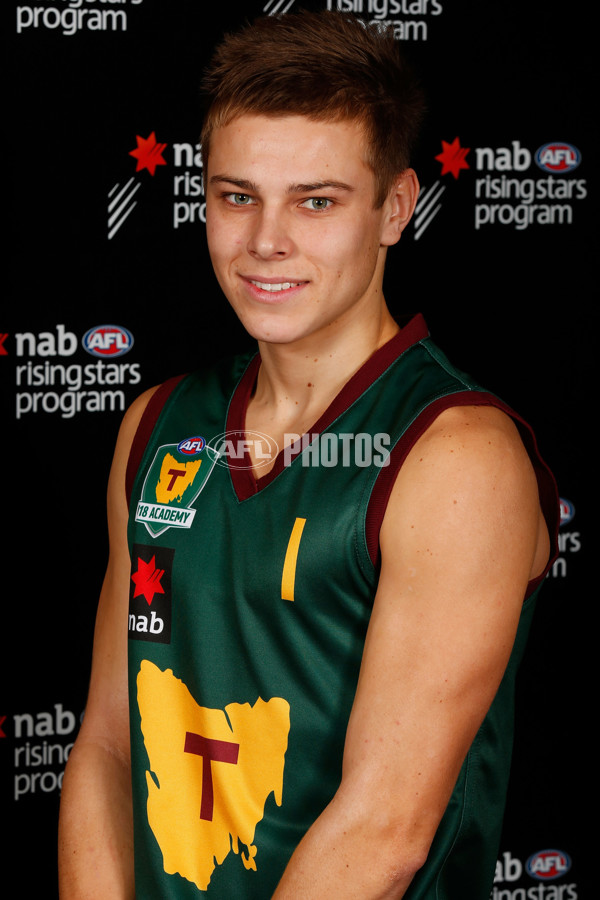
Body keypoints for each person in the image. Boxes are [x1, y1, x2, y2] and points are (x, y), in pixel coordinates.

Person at [58, 10, 558, 899]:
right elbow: (105, 742)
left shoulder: (455, 456)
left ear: (396, 207)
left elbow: (385, 826)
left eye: (316, 201)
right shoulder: (158, 424)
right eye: (237, 195)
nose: (266, 242)